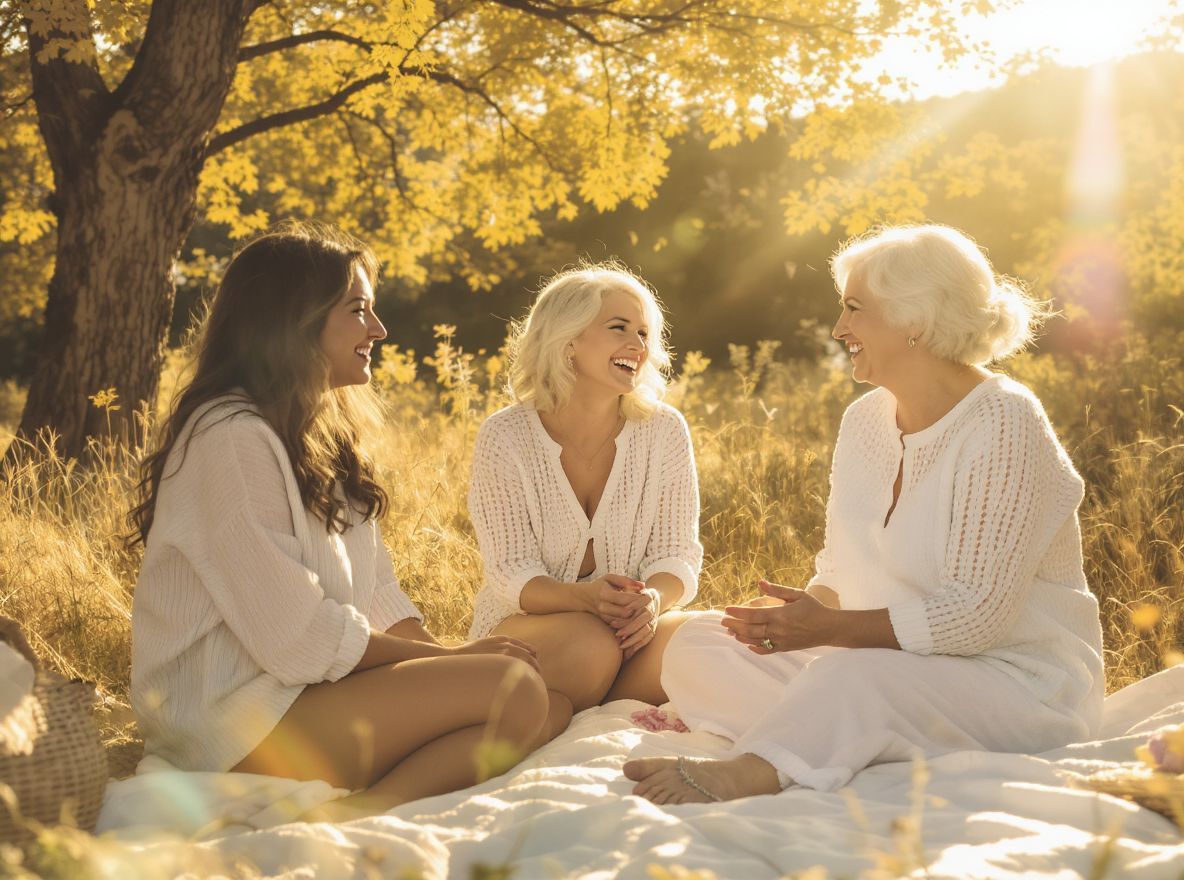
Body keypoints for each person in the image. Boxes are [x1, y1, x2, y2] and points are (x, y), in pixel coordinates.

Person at [624, 224, 1105, 803]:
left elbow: (977, 618)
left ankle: (753, 767)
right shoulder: (865, 422)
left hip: (1017, 686)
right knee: (701, 644)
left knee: (851, 678)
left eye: (854, 309)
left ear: (916, 322)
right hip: (886, 669)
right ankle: (842, 738)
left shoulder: (1005, 422)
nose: (838, 329)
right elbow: (840, 571)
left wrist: (829, 631)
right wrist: (799, 618)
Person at [129, 221, 564, 819]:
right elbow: (297, 638)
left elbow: (378, 591)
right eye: (358, 310)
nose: (378, 330)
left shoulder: (315, 433)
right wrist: (455, 667)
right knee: (512, 692)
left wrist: (450, 660)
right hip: (234, 719)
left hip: (309, 692)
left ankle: (385, 784)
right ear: (293, 318)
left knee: (547, 703)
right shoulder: (228, 439)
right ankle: (366, 812)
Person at [467, 262, 703, 714]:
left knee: (709, 635)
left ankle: (571, 708)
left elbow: (678, 554)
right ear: (568, 340)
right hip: (529, 631)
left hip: (631, 634)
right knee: (591, 642)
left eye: (644, 333)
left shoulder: (665, 430)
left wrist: (652, 601)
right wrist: (584, 600)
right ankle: (527, 699)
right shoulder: (506, 436)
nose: (637, 345)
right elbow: (511, 572)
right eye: (619, 329)